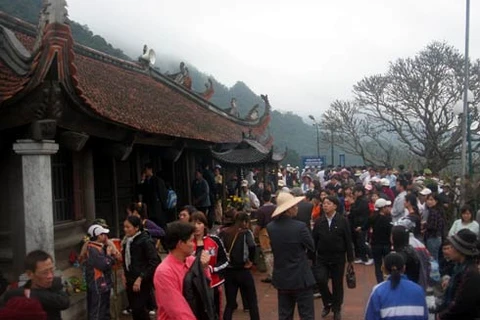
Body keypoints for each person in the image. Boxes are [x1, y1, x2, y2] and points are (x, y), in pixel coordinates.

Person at [267, 191, 316, 320]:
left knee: (285, 314)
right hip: (301, 277)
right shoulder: (300, 227)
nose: (297, 208)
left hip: (282, 277)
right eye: (295, 206)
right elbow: (312, 246)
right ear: (289, 210)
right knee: (306, 314)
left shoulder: (271, 227)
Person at [154, 221, 212, 320]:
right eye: (191, 241)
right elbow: (178, 311)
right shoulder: (164, 272)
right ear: (180, 244)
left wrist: (204, 267)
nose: (194, 245)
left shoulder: (191, 261)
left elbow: (205, 289)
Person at [312, 196, 354, 320]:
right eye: (324, 203)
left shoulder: (342, 221)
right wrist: (311, 256)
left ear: (335, 206)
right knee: (320, 279)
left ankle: (336, 308)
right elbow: (314, 240)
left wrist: (350, 258)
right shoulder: (319, 221)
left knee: (337, 284)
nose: (325, 206)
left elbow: (348, 239)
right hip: (322, 257)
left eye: (328, 203)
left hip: (338, 257)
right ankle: (328, 302)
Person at [3, 250, 70, 320]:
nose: (50, 276)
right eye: (44, 273)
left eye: (51, 270)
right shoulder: (17, 296)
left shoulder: (54, 286)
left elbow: (64, 303)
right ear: (30, 274)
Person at [219, 212, 260, 320]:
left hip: (229, 271)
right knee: (252, 302)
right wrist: (251, 261)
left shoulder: (224, 232)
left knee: (230, 303)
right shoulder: (246, 233)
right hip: (243, 270)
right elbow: (252, 246)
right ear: (245, 222)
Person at [364, 252, 428, 320]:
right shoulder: (419, 290)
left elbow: (370, 317)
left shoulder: (378, 291)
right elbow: (425, 316)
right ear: (404, 268)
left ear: (384, 269)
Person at [122, 215, 160, 320]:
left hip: (142, 280)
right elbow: (125, 260)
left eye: (128, 227)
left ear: (136, 227)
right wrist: (124, 274)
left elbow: (153, 261)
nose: (125, 229)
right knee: (135, 310)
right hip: (130, 279)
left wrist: (141, 277)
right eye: (124, 227)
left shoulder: (145, 241)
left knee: (140, 309)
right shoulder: (127, 241)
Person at [191, 211, 229, 319]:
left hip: (213, 284)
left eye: (199, 223)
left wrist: (211, 269)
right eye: (193, 223)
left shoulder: (214, 240)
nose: (196, 226)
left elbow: (225, 261)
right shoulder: (187, 242)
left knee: (214, 313)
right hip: (194, 286)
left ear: (205, 225)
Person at [438, 229, 480, 319]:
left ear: (460, 250)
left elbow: (460, 304)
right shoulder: (459, 266)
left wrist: (440, 316)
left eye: (452, 247)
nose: (449, 250)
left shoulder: (471, 272)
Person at [84, 224, 118, 320]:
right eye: (103, 234)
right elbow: (104, 264)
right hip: (98, 283)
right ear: (98, 235)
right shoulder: (93, 249)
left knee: (103, 309)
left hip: (103, 283)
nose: (105, 236)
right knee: (98, 310)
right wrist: (108, 255)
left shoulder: (98, 247)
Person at [253, 191, 276, 283]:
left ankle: (271, 275)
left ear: (262, 199)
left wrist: (255, 234)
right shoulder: (275, 207)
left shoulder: (261, 210)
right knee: (275, 252)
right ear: (270, 198)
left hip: (264, 232)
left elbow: (258, 225)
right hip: (275, 231)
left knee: (267, 253)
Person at [137, 163, 168, 229]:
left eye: (146, 170)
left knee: (159, 226)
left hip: (156, 208)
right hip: (148, 208)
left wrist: (163, 206)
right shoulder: (145, 181)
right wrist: (142, 180)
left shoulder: (158, 180)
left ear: (150, 170)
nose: (145, 172)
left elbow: (162, 194)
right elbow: (140, 191)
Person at [370, 198, 392, 283]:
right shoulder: (388, 219)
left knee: (377, 265)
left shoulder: (373, 217)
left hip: (375, 245)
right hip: (386, 245)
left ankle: (380, 282)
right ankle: (388, 281)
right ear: (383, 208)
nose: (388, 208)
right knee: (388, 264)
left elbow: (365, 226)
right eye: (387, 206)